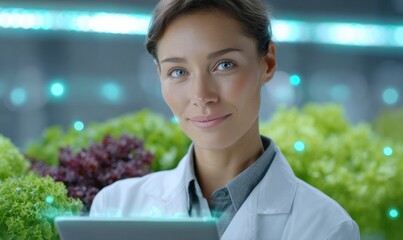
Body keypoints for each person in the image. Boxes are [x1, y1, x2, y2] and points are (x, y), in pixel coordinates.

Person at [90, 0, 360, 239]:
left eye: (224, 65)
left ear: (267, 62)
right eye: (178, 71)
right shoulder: (115, 207)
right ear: (159, 75)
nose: (202, 95)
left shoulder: (326, 227)